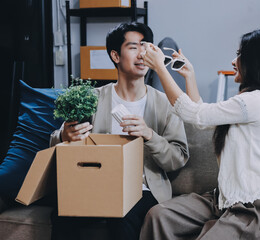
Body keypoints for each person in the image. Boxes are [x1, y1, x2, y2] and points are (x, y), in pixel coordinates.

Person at [139, 29, 260, 240]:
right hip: (223, 200)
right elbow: (203, 119)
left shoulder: (256, 101)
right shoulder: (250, 101)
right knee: (159, 215)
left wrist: (160, 69)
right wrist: (190, 76)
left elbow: (193, 114)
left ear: (255, 61)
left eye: (240, 55)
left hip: (252, 208)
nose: (234, 61)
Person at [50, 22, 189, 240]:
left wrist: (149, 135)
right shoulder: (93, 98)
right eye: (133, 47)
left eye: (145, 46)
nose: (142, 54)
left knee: (122, 213)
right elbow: (55, 141)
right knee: (62, 211)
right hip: (96, 185)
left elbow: (178, 158)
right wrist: (64, 136)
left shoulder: (165, 103)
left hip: (144, 191)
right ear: (116, 56)